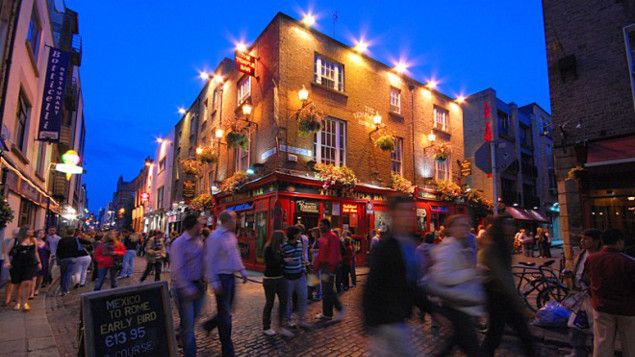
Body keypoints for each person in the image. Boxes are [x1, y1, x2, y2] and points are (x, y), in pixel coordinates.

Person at [363, 195, 420, 356]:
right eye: (403, 210)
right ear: (393, 214)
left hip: (399, 318)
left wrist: (431, 309)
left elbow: (412, 283)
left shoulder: (410, 242)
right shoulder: (385, 246)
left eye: (411, 210)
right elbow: (371, 285)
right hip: (386, 321)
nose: (408, 215)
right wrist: (370, 322)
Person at [427, 214, 484, 357]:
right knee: (472, 349)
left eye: (466, 224)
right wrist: (472, 272)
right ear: (450, 229)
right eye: (460, 225)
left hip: (461, 305)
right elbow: (443, 277)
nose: (465, 228)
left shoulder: (461, 244)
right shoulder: (448, 248)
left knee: (452, 344)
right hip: (457, 306)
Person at [479, 215, 536, 357]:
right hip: (498, 297)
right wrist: (520, 304)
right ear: (499, 227)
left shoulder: (503, 245)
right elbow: (504, 278)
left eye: (512, 224)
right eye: (507, 224)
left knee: (497, 335)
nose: (511, 227)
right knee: (501, 335)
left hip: (502, 297)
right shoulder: (492, 248)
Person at [203, 210, 248, 357]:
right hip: (221, 278)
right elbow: (210, 260)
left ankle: (209, 325)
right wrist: (214, 282)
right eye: (235, 219)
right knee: (225, 315)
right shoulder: (215, 237)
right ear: (227, 221)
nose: (237, 222)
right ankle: (227, 350)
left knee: (227, 311)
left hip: (230, 277)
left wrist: (242, 270)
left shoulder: (230, 235)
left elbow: (235, 254)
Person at [585, 229, 635, 357]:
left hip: (601, 307)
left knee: (602, 344)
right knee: (630, 345)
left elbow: (588, 280)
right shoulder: (629, 262)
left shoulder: (591, 259)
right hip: (627, 309)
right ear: (619, 242)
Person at [171, 215, 206, 357]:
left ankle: (179, 335)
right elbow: (177, 269)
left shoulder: (199, 241)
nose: (202, 226)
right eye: (200, 223)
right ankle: (190, 353)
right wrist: (187, 289)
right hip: (184, 289)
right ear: (193, 225)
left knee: (191, 322)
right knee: (189, 325)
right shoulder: (179, 243)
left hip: (199, 285)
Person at [566, 229, 602, 357]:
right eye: (582, 238)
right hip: (581, 297)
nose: (582, 241)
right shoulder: (581, 254)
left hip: (594, 297)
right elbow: (577, 271)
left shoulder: (600, 256)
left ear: (597, 241)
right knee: (575, 326)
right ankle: (578, 352)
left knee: (595, 329)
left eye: (586, 239)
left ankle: (595, 352)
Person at [262, 230, 293, 337]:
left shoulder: (280, 248)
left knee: (284, 301)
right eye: (283, 237)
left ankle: (280, 325)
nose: (284, 239)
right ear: (278, 238)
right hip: (270, 279)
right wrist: (284, 261)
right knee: (269, 303)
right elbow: (270, 264)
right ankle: (266, 327)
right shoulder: (269, 249)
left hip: (280, 278)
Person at [314, 218, 344, 322]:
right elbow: (321, 254)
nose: (320, 227)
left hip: (328, 268)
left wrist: (331, 269)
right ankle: (327, 313)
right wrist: (316, 267)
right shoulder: (323, 237)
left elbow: (334, 254)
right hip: (324, 268)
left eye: (322, 225)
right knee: (327, 290)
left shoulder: (332, 237)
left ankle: (337, 310)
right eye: (320, 225)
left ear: (328, 226)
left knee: (328, 290)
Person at [4, 227, 41, 311]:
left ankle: (25, 303)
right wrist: (7, 262)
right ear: (25, 231)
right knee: (17, 285)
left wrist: (39, 262)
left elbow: (36, 252)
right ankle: (18, 302)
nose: (33, 231)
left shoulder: (33, 240)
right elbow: (6, 252)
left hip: (30, 264)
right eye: (30, 230)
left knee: (27, 283)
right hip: (17, 265)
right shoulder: (15, 241)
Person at [282, 225, 309, 329]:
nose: (300, 235)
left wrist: (303, 269)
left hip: (300, 275)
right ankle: (289, 320)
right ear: (294, 234)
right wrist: (285, 261)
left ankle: (302, 320)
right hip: (288, 277)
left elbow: (301, 257)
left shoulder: (299, 244)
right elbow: (281, 259)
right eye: (299, 233)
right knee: (288, 300)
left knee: (303, 297)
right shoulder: (284, 246)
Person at [56, 228, 82, 295]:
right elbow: (78, 249)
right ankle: (66, 289)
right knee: (68, 274)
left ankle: (62, 289)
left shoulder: (61, 240)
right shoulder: (75, 240)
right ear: (73, 233)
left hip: (63, 258)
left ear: (66, 232)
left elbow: (58, 250)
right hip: (72, 258)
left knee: (63, 274)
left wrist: (59, 258)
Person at [32, 229, 50, 297]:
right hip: (35, 260)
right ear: (37, 234)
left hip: (44, 260)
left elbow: (49, 252)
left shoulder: (46, 242)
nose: (41, 235)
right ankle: (32, 290)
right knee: (34, 276)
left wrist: (48, 260)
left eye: (43, 233)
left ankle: (37, 289)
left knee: (40, 276)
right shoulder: (33, 241)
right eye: (40, 233)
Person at [308, 227, 322, 301]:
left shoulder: (319, 240)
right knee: (315, 278)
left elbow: (321, 250)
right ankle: (317, 294)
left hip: (317, 262)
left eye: (313, 232)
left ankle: (319, 295)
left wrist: (313, 250)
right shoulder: (315, 240)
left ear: (316, 233)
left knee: (317, 279)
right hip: (314, 261)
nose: (311, 233)